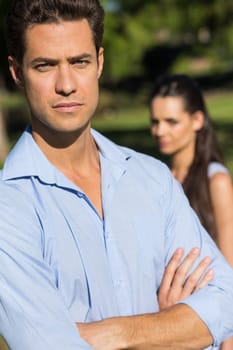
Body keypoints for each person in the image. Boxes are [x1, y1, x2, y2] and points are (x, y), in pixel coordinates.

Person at [0, 1, 233, 349]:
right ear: (17, 72)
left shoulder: (154, 180)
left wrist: (120, 334)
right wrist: (172, 328)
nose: (66, 85)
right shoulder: (9, 209)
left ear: (100, 63)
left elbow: (225, 302)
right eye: (45, 66)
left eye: (79, 62)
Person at [149, 73, 233, 349]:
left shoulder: (216, 181)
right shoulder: (158, 181)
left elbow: (229, 269)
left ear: (197, 121)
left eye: (171, 122)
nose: (160, 131)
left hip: (206, 326)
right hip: (163, 317)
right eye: (155, 122)